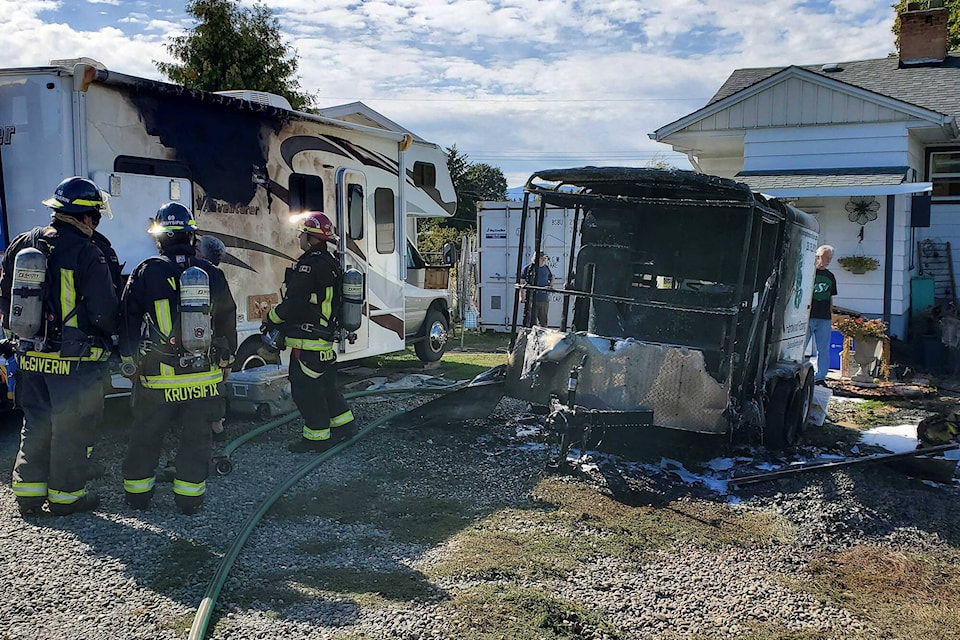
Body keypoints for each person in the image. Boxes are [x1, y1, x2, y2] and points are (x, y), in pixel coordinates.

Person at [0, 176, 119, 516]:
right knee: (70, 428)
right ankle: (67, 499)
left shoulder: (24, 242)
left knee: (35, 423)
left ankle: (28, 495)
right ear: (85, 217)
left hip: (29, 355)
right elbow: (103, 311)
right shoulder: (88, 252)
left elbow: (6, 298)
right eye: (94, 216)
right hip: (73, 362)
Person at [119, 202, 237, 515]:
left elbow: (128, 320)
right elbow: (227, 318)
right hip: (203, 377)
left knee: (146, 436)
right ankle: (189, 500)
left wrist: (130, 362)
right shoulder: (211, 273)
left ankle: (138, 497)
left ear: (160, 237)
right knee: (196, 440)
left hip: (158, 376)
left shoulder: (146, 271)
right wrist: (226, 362)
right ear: (192, 234)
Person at [260, 211, 357, 452]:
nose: (300, 239)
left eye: (303, 234)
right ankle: (345, 426)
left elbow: (295, 303)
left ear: (312, 239)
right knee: (326, 388)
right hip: (323, 343)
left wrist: (271, 318)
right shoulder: (331, 263)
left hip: (307, 343)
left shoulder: (308, 266)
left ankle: (316, 438)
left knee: (305, 393)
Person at [195, 235, 231, 437]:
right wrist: (228, 357)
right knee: (214, 386)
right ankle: (217, 426)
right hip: (213, 344)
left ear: (204, 253)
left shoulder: (191, 273)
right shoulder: (217, 276)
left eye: (198, 247)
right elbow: (227, 316)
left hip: (192, 343)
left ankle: (212, 426)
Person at [807, 244, 838, 386]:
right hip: (808, 316)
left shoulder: (830, 276)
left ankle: (820, 377)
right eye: (826, 258)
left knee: (823, 349)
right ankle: (800, 373)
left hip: (824, 318)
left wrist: (831, 317)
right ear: (818, 256)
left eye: (830, 259)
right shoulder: (809, 273)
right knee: (801, 348)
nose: (827, 261)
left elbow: (831, 298)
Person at [520, 251, 554, 327]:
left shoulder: (546, 268)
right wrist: (521, 296)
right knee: (531, 321)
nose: (543, 260)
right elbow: (521, 283)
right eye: (542, 258)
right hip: (531, 299)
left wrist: (550, 286)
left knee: (543, 322)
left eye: (544, 258)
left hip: (543, 299)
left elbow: (551, 278)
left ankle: (543, 337)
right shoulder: (528, 268)